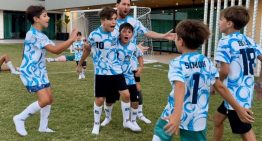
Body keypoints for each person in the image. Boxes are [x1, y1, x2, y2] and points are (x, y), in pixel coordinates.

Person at [152, 19, 254, 141]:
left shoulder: (178, 62)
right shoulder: (206, 62)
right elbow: (220, 87)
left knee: (160, 136)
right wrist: (239, 108)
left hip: (173, 112)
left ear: (180, 41)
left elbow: (180, 86)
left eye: (176, 37)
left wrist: (177, 114)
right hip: (197, 117)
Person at [101, 0, 176, 125]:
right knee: (111, 94)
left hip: (131, 65)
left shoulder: (134, 22)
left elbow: (147, 32)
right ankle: (107, 117)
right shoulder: (110, 22)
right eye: (123, 4)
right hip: (113, 66)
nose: (126, 7)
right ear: (117, 5)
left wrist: (162, 36)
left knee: (136, 90)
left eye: (128, 5)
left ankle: (139, 114)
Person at [13, 5, 78, 136]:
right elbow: (55, 51)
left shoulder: (40, 34)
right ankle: (19, 118)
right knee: (44, 100)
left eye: (47, 15)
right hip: (31, 72)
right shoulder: (33, 34)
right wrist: (71, 39)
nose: (48, 18)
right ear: (36, 19)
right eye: (44, 15)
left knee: (50, 99)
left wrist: (69, 42)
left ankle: (43, 127)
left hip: (40, 71)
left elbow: (57, 47)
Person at [77, 6, 137, 135]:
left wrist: (137, 48)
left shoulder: (117, 32)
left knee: (126, 95)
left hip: (116, 71)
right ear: (103, 20)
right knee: (100, 99)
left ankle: (126, 121)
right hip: (101, 72)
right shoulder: (94, 35)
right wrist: (80, 64)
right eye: (111, 19)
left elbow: (127, 40)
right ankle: (96, 124)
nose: (114, 22)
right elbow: (87, 50)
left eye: (115, 19)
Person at [213, 6, 262, 141]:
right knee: (217, 119)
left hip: (234, 96)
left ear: (229, 24)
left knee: (246, 132)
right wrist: (260, 83)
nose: (218, 22)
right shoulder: (249, 40)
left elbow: (224, 70)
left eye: (221, 19)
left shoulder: (225, 42)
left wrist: (215, 84)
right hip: (244, 92)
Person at [101, 23, 144, 131]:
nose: (127, 34)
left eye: (129, 32)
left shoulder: (133, 46)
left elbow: (140, 55)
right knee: (109, 100)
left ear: (132, 35)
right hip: (115, 76)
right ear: (119, 33)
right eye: (124, 31)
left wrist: (141, 67)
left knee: (134, 100)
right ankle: (107, 117)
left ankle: (132, 121)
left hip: (129, 77)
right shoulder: (114, 44)